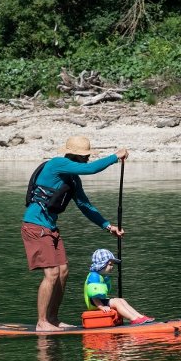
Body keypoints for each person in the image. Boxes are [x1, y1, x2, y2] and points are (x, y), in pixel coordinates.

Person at [22, 136, 128, 332]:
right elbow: (91, 169)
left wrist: (107, 225)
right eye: (85, 156)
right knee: (52, 273)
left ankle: (53, 319)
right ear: (74, 155)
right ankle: (41, 322)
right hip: (35, 226)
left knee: (63, 271)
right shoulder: (57, 164)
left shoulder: (72, 178)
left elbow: (84, 205)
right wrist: (115, 156)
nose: (87, 159)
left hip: (50, 228)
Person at [84, 249, 153, 325]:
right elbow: (94, 297)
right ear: (101, 264)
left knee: (121, 300)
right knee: (117, 302)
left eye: (112, 265)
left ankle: (139, 317)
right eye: (110, 264)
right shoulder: (94, 277)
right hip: (94, 303)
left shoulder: (100, 277)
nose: (112, 267)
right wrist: (102, 307)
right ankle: (133, 319)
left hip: (98, 302)